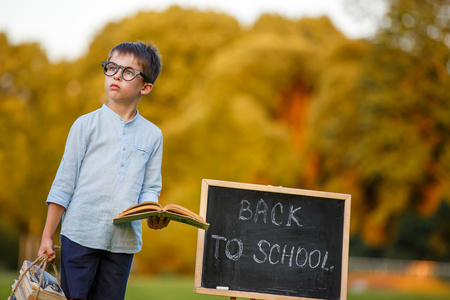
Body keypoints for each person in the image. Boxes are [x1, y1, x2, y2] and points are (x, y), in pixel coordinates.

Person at [37, 41, 169, 300]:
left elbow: (150, 187)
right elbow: (64, 183)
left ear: (146, 87)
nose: (116, 75)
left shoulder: (154, 135)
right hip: (79, 235)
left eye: (128, 72)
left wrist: (152, 211)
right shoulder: (85, 125)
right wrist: (46, 236)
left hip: (123, 243)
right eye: (111, 68)